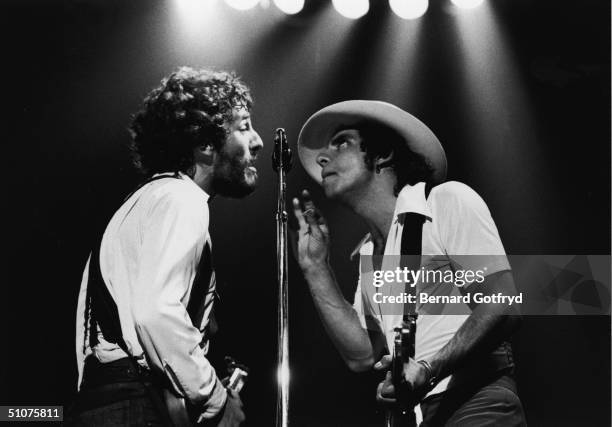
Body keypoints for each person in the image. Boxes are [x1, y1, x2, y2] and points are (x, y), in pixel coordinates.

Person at [293, 100, 526, 426]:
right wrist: (316, 268)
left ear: (383, 153)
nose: (322, 158)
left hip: (476, 403)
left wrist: (429, 370)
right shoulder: (367, 253)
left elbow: (503, 302)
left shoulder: (445, 202)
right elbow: (362, 355)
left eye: (342, 142)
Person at [70, 67, 263, 426]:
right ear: (205, 145)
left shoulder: (142, 202)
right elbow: (155, 311)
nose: (258, 141)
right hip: (133, 405)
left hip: (104, 400)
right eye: (243, 126)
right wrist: (215, 399)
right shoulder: (181, 200)